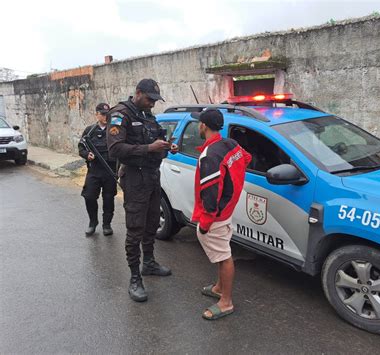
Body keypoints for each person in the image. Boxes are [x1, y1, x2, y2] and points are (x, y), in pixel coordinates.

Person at [107, 79, 178, 302]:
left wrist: (166, 145)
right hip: (135, 177)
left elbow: (158, 138)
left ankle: (149, 263)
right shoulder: (121, 114)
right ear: (137, 93)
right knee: (135, 227)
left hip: (152, 175)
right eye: (149, 99)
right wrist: (149, 148)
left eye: (155, 101)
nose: (152, 104)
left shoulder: (147, 115)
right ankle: (135, 277)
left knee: (151, 223)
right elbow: (115, 149)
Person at [191, 108, 251, 320]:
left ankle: (226, 302)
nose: (198, 125)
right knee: (220, 251)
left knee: (224, 256)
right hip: (227, 209)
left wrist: (205, 223)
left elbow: (210, 193)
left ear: (204, 126)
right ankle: (218, 287)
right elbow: (247, 158)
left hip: (217, 214)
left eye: (199, 123)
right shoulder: (231, 144)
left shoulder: (210, 155)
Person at [78, 103, 117, 237]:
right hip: (94, 170)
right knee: (89, 196)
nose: (106, 117)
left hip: (110, 171)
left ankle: (107, 224)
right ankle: (92, 223)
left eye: (107, 114)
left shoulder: (114, 130)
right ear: (97, 114)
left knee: (108, 198)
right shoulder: (90, 130)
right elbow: (81, 147)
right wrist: (86, 155)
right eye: (103, 114)